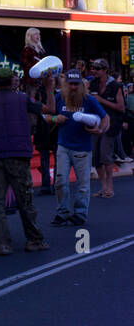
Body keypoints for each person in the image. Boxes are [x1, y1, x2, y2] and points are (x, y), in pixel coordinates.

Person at [0, 66, 55, 256]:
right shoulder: (23, 99)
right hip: (19, 156)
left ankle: (3, 244)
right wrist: (49, 89)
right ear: (10, 82)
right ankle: (34, 240)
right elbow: (50, 109)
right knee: (25, 200)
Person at [51, 70, 106, 228]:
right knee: (60, 182)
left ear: (81, 85)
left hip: (82, 149)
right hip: (63, 146)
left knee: (83, 184)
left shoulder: (88, 100)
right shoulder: (59, 98)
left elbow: (105, 118)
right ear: (65, 84)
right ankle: (62, 213)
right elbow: (46, 115)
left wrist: (99, 130)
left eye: (76, 84)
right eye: (71, 84)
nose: (73, 87)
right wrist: (55, 118)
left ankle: (80, 214)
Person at [87, 59, 123, 199]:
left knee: (105, 155)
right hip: (95, 123)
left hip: (111, 125)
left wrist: (102, 100)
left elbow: (120, 107)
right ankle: (103, 187)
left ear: (105, 70)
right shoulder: (93, 84)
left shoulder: (115, 86)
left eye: (97, 68)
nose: (94, 70)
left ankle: (110, 187)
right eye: (93, 68)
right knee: (95, 157)